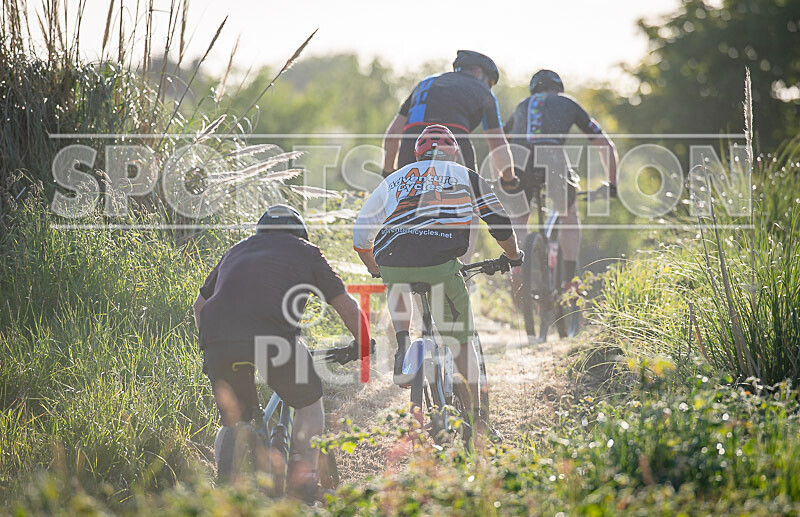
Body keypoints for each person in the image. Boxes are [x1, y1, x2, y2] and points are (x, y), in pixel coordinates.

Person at [193, 204, 367, 501]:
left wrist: (210, 346)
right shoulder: (306, 251)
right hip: (274, 339)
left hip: (217, 340)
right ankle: (305, 485)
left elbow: (199, 306)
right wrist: (363, 344)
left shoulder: (236, 250)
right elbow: (347, 306)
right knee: (309, 404)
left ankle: (222, 491)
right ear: (299, 232)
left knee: (233, 422)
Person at [354, 124, 523, 429]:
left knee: (396, 280)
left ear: (416, 154)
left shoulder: (395, 180)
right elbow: (499, 223)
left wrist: (374, 268)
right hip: (440, 265)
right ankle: (476, 419)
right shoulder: (466, 176)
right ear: (454, 153)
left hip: (392, 258)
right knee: (460, 342)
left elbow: (360, 233)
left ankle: (404, 342)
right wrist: (512, 256)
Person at [503, 69, 618, 294]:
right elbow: (605, 144)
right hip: (553, 157)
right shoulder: (567, 103)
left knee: (520, 217)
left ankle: (517, 267)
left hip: (519, 160)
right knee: (568, 214)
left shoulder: (522, 105)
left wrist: (503, 174)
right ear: (558, 88)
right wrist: (611, 184)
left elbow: (501, 139)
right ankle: (570, 279)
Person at [382, 50, 517, 185]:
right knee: (469, 199)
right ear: (478, 72)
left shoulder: (425, 83)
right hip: (453, 142)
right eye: (491, 82)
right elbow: (497, 144)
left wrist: (388, 173)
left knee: (405, 201)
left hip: (412, 145)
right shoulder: (483, 91)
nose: (489, 87)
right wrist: (509, 179)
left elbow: (393, 134)